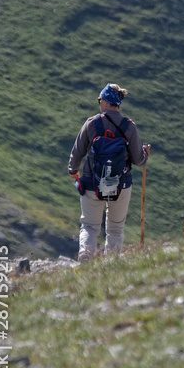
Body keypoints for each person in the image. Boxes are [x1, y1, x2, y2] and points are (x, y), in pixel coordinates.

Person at [68, 83, 150, 261]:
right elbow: (138, 160)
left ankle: (86, 255)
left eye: (100, 100)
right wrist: (145, 155)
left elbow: (77, 153)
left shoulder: (91, 123)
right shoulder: (129, 126)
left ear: (105, 101)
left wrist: (73, 171)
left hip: (92, 183)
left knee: (89, 225)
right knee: (115, 228)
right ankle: (111, 263)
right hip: (121, 184)